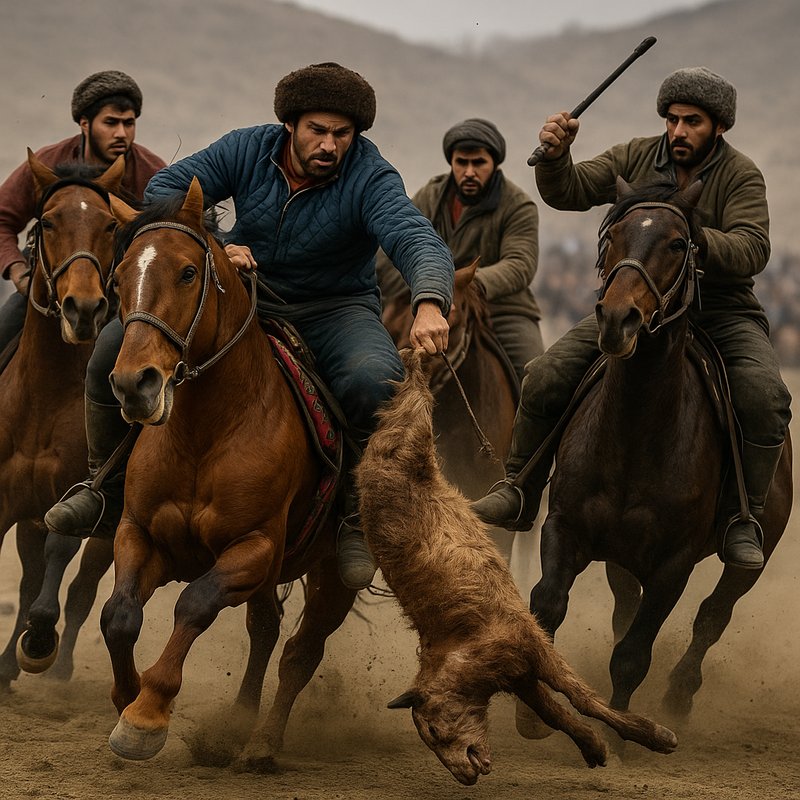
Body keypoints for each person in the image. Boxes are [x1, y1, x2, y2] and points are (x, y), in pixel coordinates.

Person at [45, 62, 454, 591]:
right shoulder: (245, 148)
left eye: (342, 134)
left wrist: (428, 301)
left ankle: (355, 517)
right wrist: (213, 239)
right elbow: (171, 185)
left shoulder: (370, 176)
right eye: (318, 130)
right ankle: (104, 485)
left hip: (335, 308)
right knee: (109, 352)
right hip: (245, 294)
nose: (330, 145)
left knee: (374, 381)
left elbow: (415, 237)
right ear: (290, 125)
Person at [471, 66, 791, 570]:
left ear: (719, 127)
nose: (679, 131)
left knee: (766, 397)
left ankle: (743, 516)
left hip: (720, 311)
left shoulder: (741, 174)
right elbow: (570, 190)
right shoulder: (636, 154)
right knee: (546, 374)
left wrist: (688, 238)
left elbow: (753, 247)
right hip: (640, 306)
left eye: (693, 122)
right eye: (672, 119)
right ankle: (518, 488)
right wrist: (556, 158)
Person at [0, 70, 166, 352]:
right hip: (47, 273)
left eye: (129, 123)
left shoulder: (151, 172)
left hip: (121, 280)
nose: (121, 134)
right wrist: (17, 271)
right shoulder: (48, 162)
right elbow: (2, 219)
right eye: (111, 123)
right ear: (84, 124)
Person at [377, 118, 542, 383]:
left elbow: (519, 264)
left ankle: (537, 425)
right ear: (451, 162)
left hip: (500, 308)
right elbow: (393, 250)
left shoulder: (518, 205)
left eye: (478, 163)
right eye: (461, 162)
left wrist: (462, 285)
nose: (468, 171)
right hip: (425, 301)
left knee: (534, 375)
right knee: (375, 362)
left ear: (494, 164)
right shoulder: (430, 196)